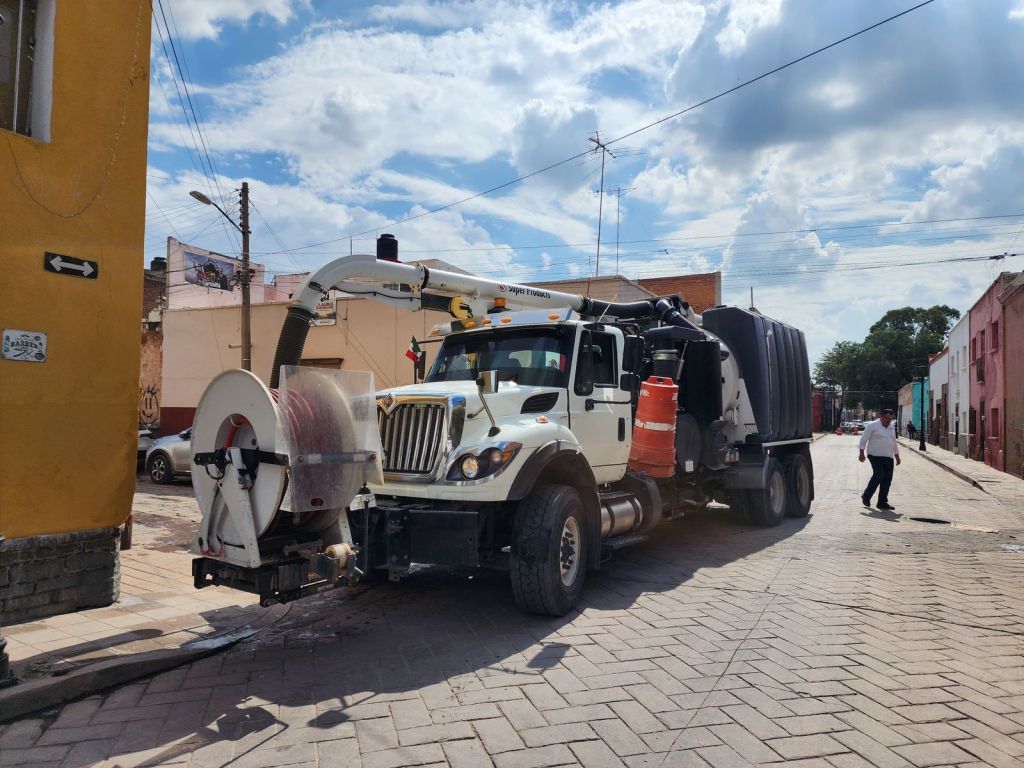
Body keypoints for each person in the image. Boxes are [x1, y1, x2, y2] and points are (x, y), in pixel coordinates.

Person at [859, 408, 901, 510]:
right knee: (879, 475)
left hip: (888, 456)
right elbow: (863, 439)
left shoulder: (891, 427)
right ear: (881, 416)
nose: (889, 421)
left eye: (891, 419)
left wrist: (897, 455)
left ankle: (882, 502)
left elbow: (893, 441)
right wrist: (861, 453)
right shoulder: (872, 426)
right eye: (887, 418)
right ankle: (866, 496)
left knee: (887, 479)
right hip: (875, 455)